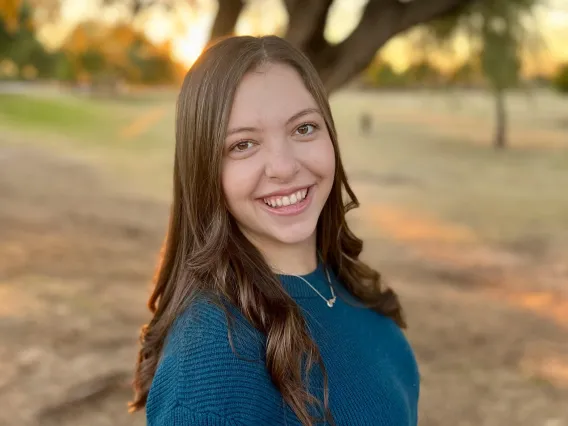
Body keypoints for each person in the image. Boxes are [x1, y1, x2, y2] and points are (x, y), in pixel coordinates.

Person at [129, 35, 420, 426]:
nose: (283, 167)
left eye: (303, 128)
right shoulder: (210, 361)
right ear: (204, 170)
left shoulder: (343, 284)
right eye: (244, 144)